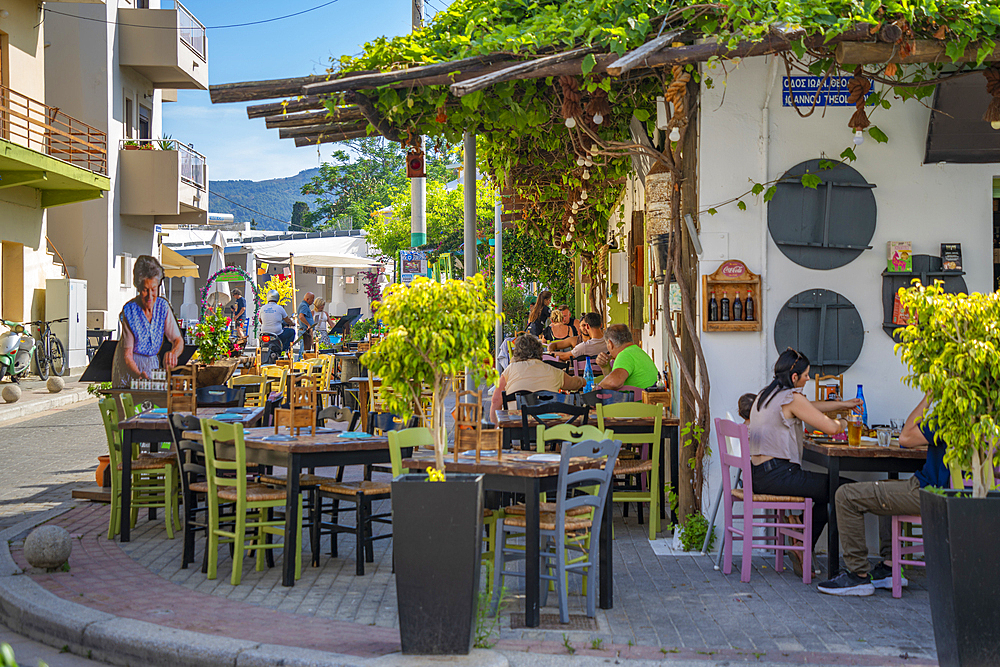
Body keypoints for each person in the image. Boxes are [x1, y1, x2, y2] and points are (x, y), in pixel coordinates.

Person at [817, 393, 949, 596]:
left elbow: (905, 437)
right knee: (890, 486)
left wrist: (929, 397)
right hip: (958, 497)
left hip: (928, 491)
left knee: (845, 495)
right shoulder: (987, 426)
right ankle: (889, 567)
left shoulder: (948, 421)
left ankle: (858, 575)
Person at [748, 348, 862, 575]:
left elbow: (810, 408)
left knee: (831, 491)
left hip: (760, 475)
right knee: (845, 489)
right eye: (806, 374)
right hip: (779, 475)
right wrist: (848, 421)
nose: (808, 378)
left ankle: (801, 544)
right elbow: (829, 427)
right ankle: (811, 549)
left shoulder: (767, 394)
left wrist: (842, 404)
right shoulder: (791, 398)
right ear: (794, 377)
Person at [111, 255, 184, 389]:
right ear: (138, 288)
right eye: (145, 290)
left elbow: (178, 340)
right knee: (133, 405)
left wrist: (173, 353)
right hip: (130, 367)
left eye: (153, 289)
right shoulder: (130, 310)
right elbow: (127, 355)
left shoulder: (163, 307)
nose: (150, 296)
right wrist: (138, 374)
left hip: (152, 365)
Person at [489, 334, 586, 421]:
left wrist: (496, 426)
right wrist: (583, 380)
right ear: (540, 351)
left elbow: (496, 400)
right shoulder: (554, 371)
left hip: (517, 426)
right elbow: (575, 384)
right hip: (548, 429)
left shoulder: (509, 370)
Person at [595, 324, 659, 392]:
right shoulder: (637, 351)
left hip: (638, 402)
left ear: (610, 344)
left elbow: (614, 382)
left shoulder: (624, 355)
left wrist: (596, 389)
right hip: (650, 400)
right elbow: (612, 385)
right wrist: (605, 367)